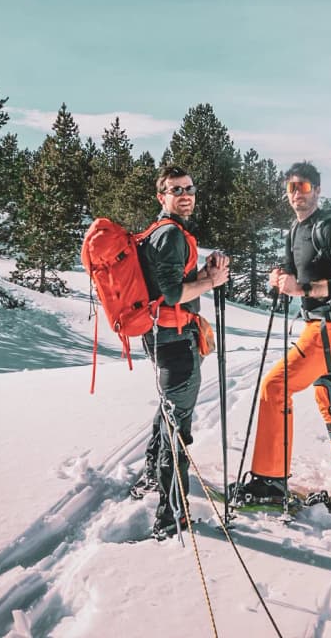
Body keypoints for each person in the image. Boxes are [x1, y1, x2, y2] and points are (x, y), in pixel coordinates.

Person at [230, 161, 331, 520]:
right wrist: (281, 276)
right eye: (292, 187)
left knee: (275, 387)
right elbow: (295, 270)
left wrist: (303, 288)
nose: (297, 193)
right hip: (321, 327)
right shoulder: (296, 230)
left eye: (304, 187)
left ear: (318, 190)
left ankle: (269, 482)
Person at [129, 165, 230, 540]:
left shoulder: (160, 232)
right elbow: (172, 294)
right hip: (175, 340)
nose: (185, 195)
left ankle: (152, 477)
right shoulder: (170, 234)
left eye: (189, 188)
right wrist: (211, 281)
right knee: (177, 425)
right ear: (162, 197)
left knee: (168, 410)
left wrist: (203, 274)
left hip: (161, 337)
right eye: (176, 190)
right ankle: (172, 515)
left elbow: (166, 284)